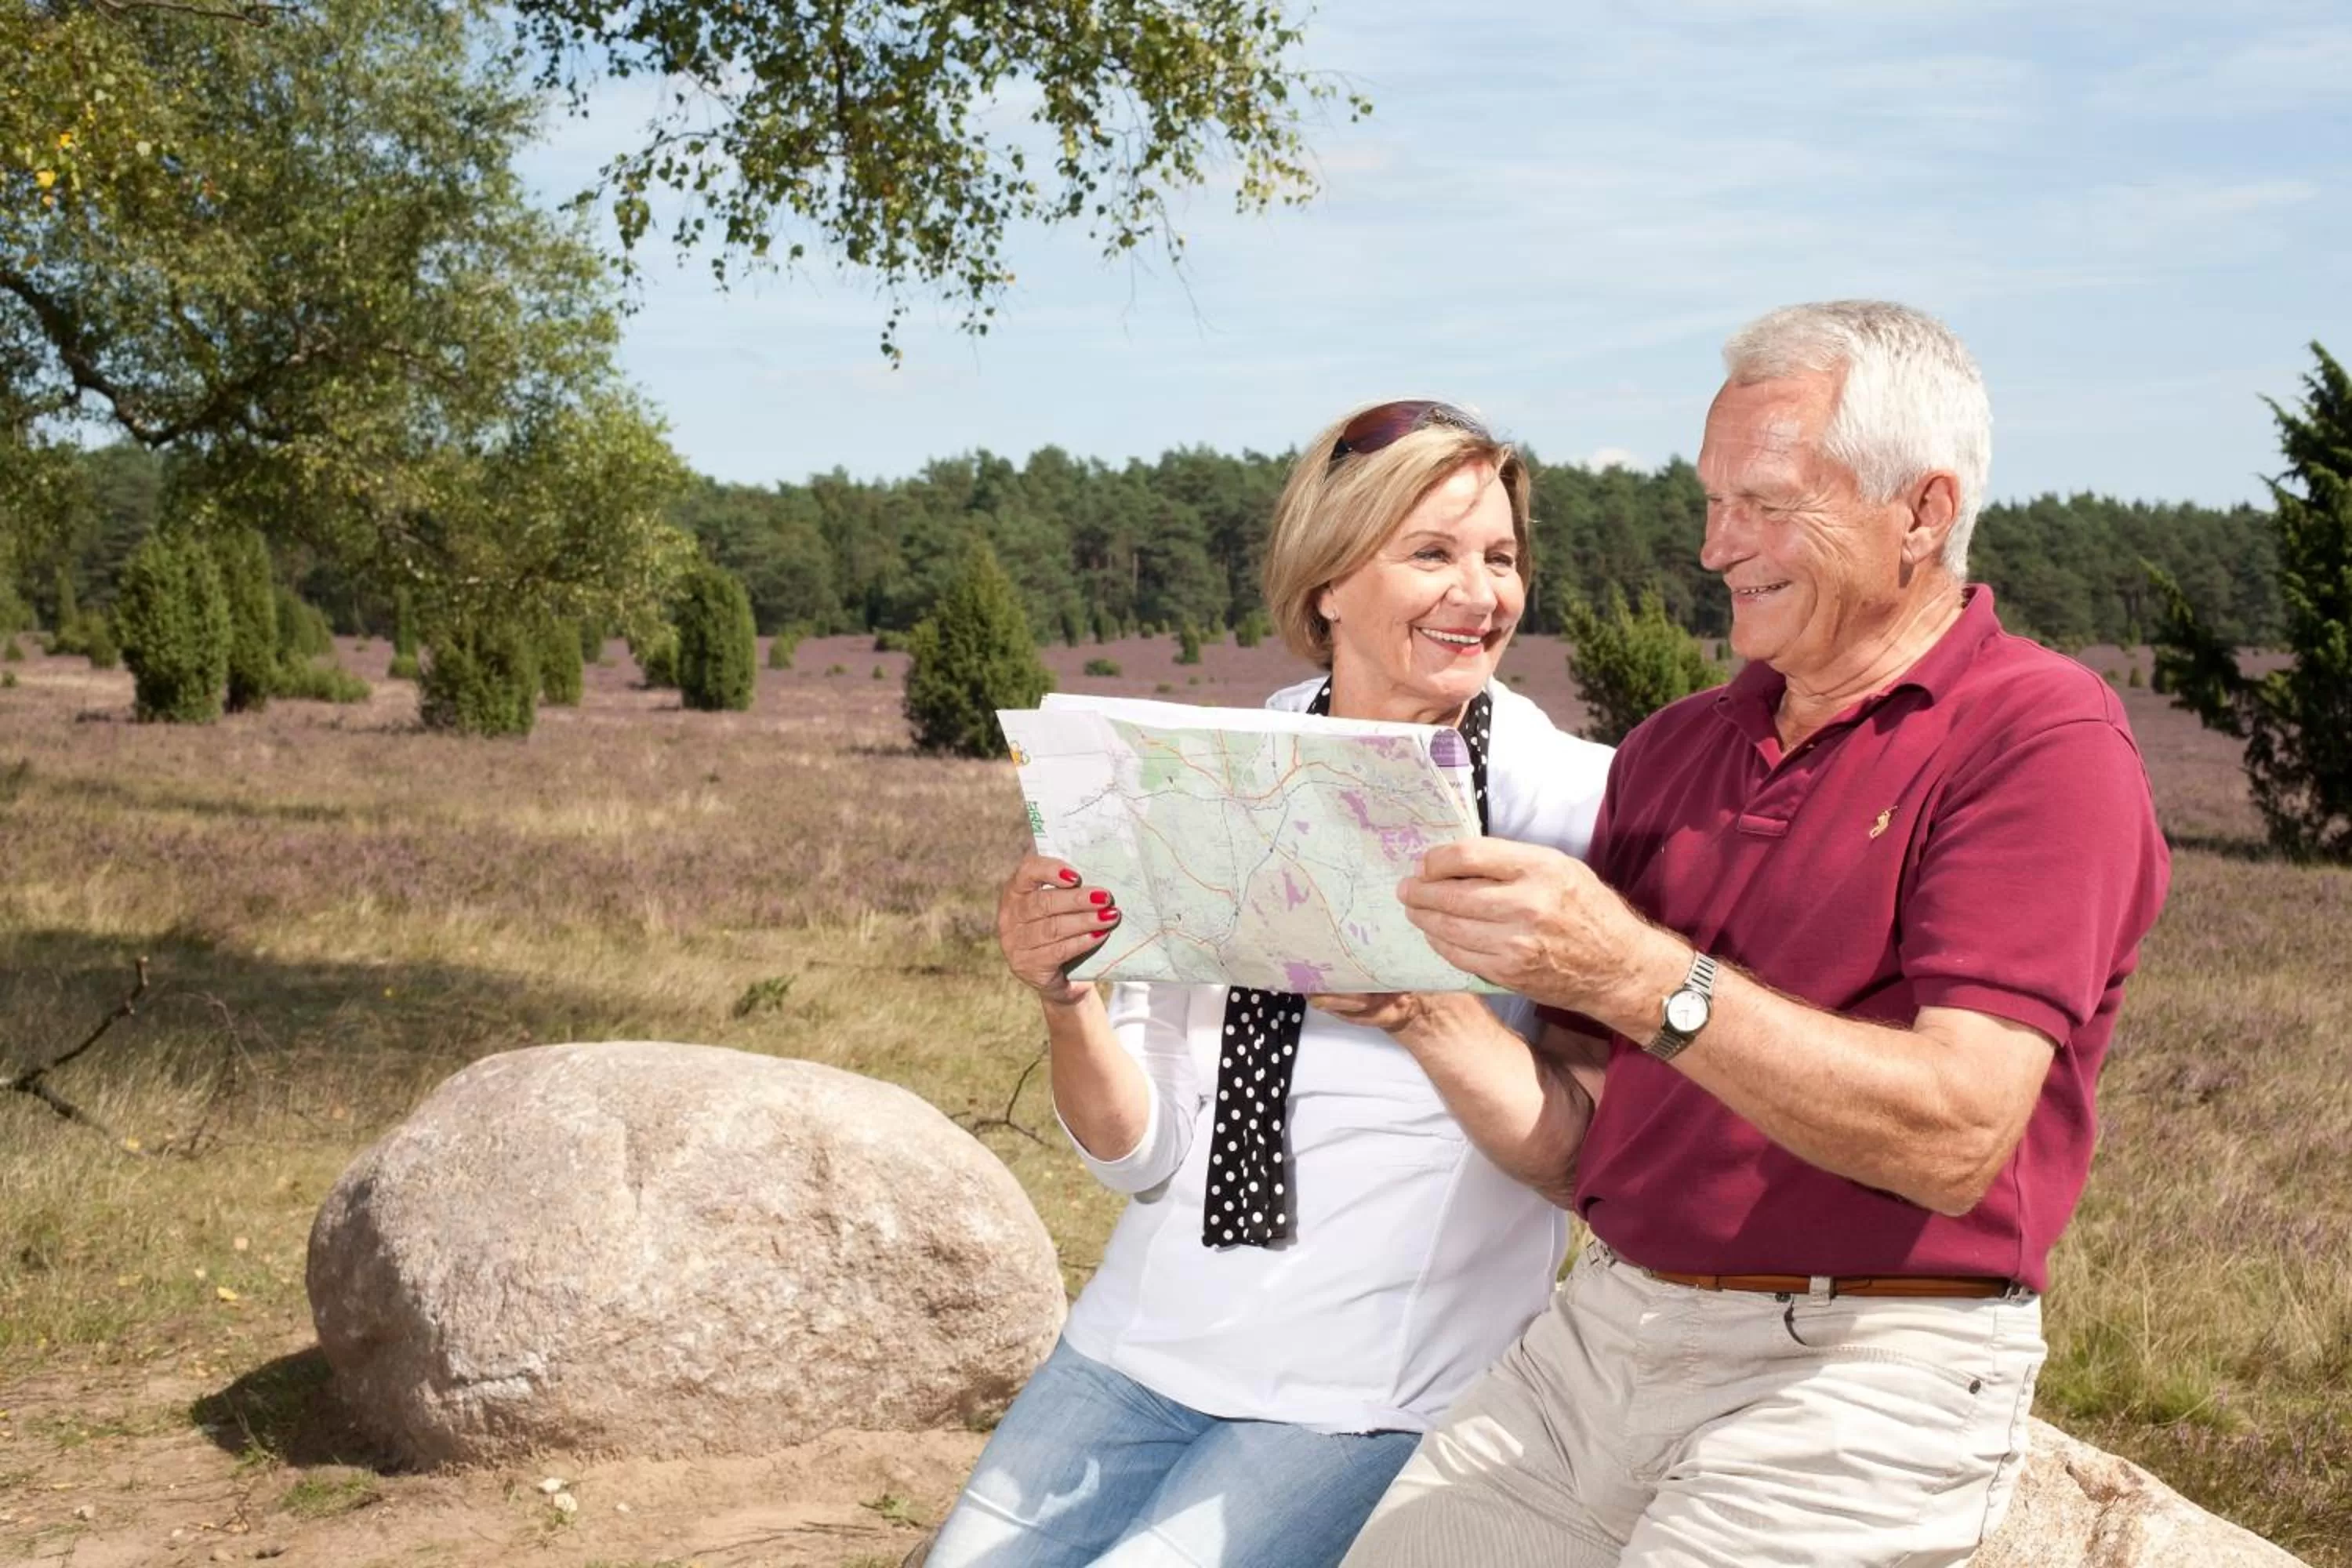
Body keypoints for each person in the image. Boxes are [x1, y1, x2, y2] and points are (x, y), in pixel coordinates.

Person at [1336, 302, 2172, 1568]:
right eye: (1713, 501)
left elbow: (1956, 1135)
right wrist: (1426, 1012)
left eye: (1768, 504)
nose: (1719, 546)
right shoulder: (1674, 750)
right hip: (1600, 1336)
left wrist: (1635, 971)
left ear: (1925, 512)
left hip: (1868, 1369)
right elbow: (1581, 1142)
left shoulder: (2042, 738)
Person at [921, 400, 1614, 1568]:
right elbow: (1136, 1156)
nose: (1481, 592)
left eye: (1501, 557)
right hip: (1146, 1339)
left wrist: (1420, 1005)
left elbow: (1590, 1148)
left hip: (1369, 1382)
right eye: (1432, 552)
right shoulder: (1205, 773)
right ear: (1330, 581)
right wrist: (1066, 994)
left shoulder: (1576, 807)